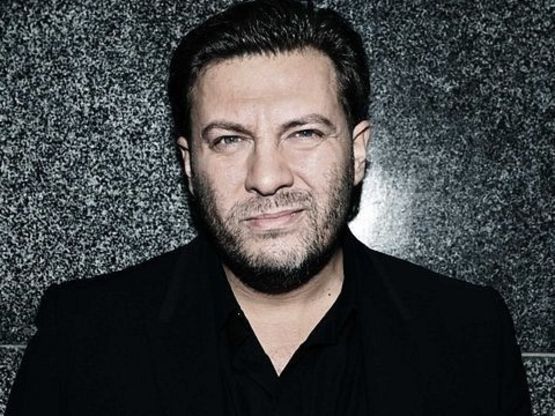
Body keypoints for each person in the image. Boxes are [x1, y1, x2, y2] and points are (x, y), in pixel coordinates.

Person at [7, 1, 532, 415]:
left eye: (303, 133)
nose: (266, 177)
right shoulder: (84, 336)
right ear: (189, 165)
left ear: (358, 153)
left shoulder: (469, 335)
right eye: (230, 140)